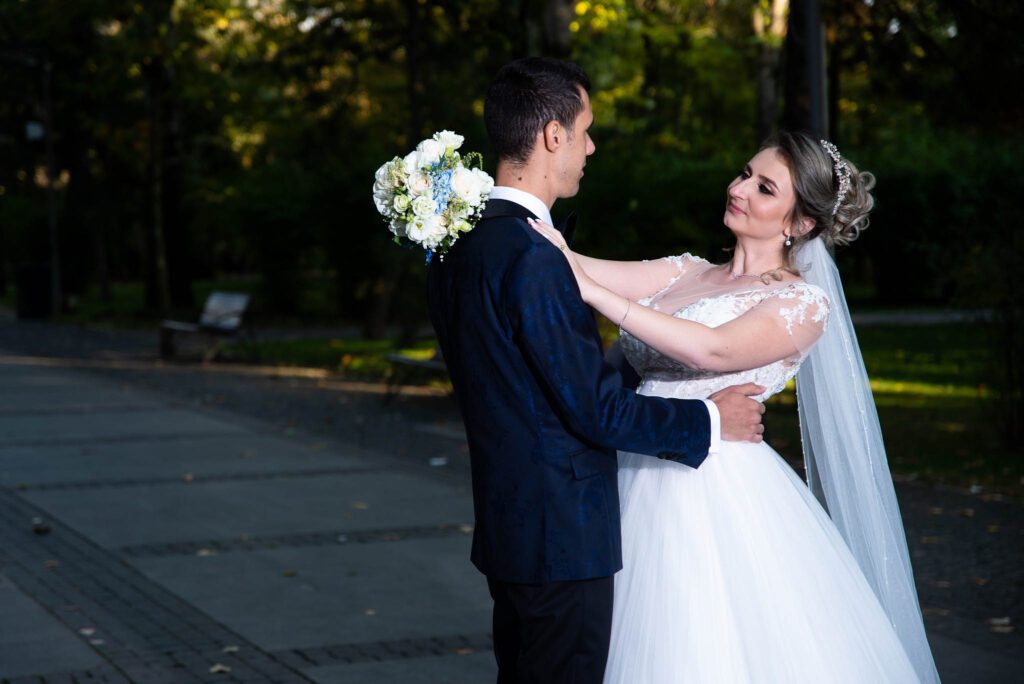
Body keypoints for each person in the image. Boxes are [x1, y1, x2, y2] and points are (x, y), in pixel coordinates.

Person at [529, 131, 940, 683]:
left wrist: (596, 295)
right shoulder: (685, 271)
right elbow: (572, 265)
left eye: (764, 188)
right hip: (631, 464)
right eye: (745, 173)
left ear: (800, 225)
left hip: (712, 485)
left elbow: (711, 348)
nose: (739, 188)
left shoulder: (800, 303)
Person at [427, 57, 766, 683]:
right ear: (552, 136)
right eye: (584, 129)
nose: (591, 145)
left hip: (510, 523)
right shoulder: (531, 258)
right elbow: (592, 409)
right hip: (561, 535)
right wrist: (711, 420)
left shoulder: (459, 243)